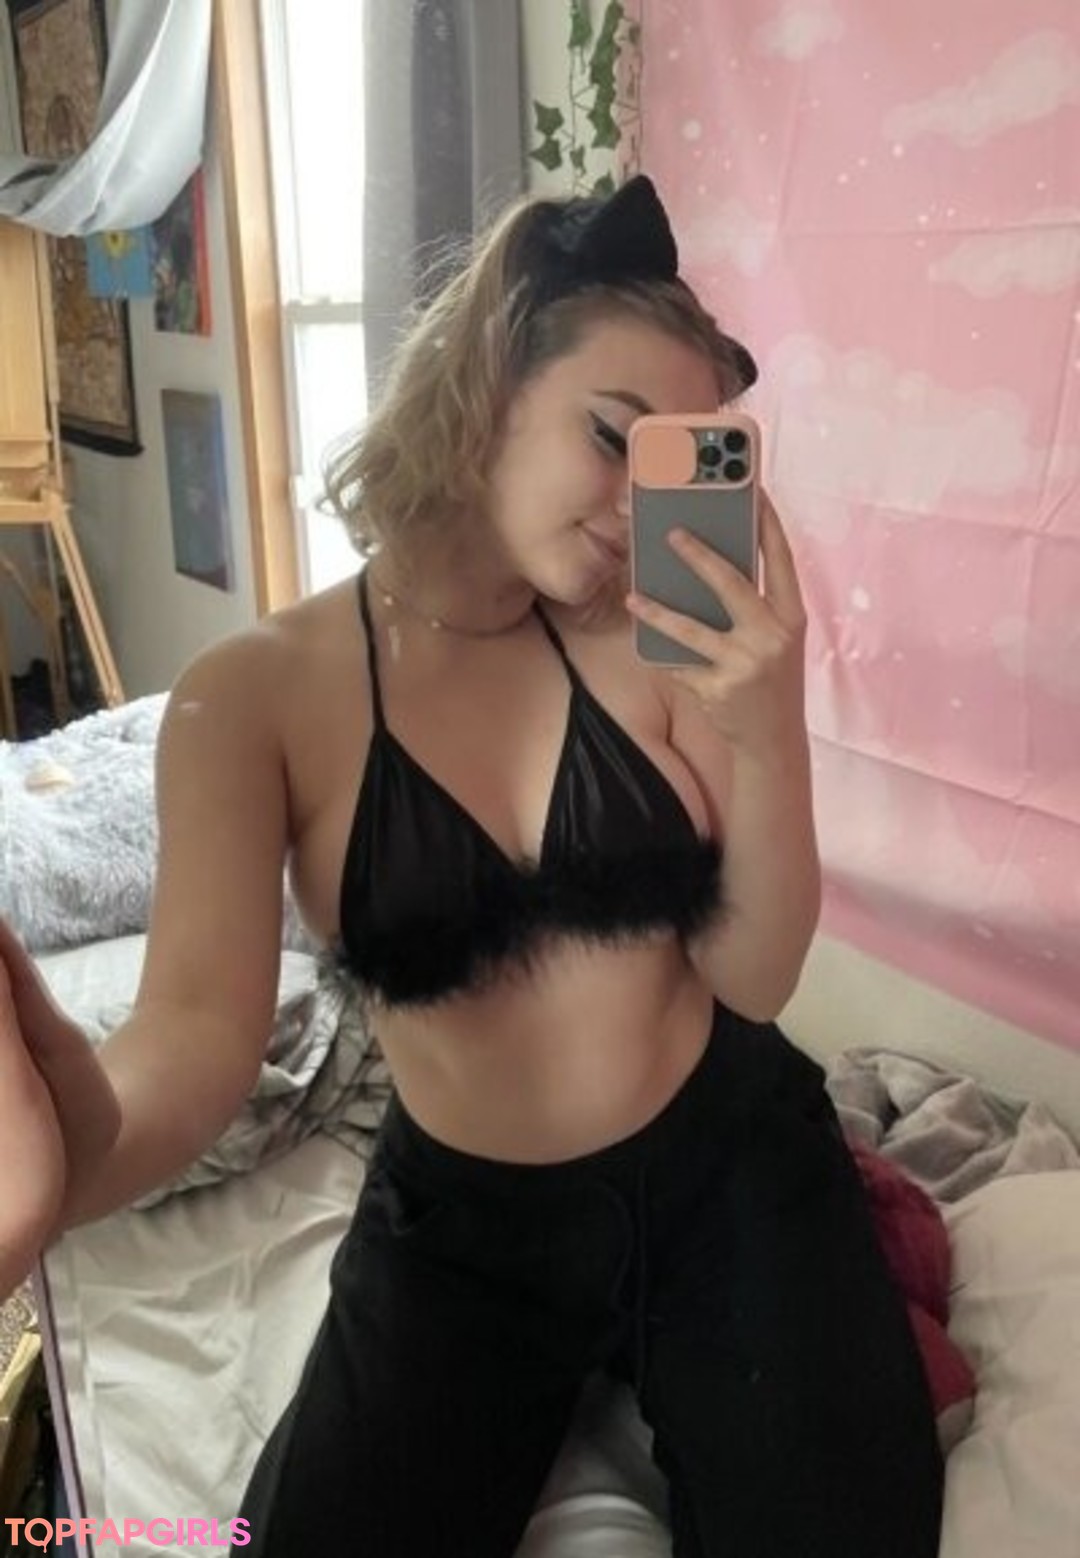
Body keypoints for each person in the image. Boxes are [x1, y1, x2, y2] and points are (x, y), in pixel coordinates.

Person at [0, 176, 943, 1557]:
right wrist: (73, 1151)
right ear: (488, 374)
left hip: (727, 1168)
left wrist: (769, 729)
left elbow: (754, 976)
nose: (633, 506)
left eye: (674, 464)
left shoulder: (660, 646)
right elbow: (194, 1035)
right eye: (611, 435)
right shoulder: (252, 699)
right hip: (468, 1229)